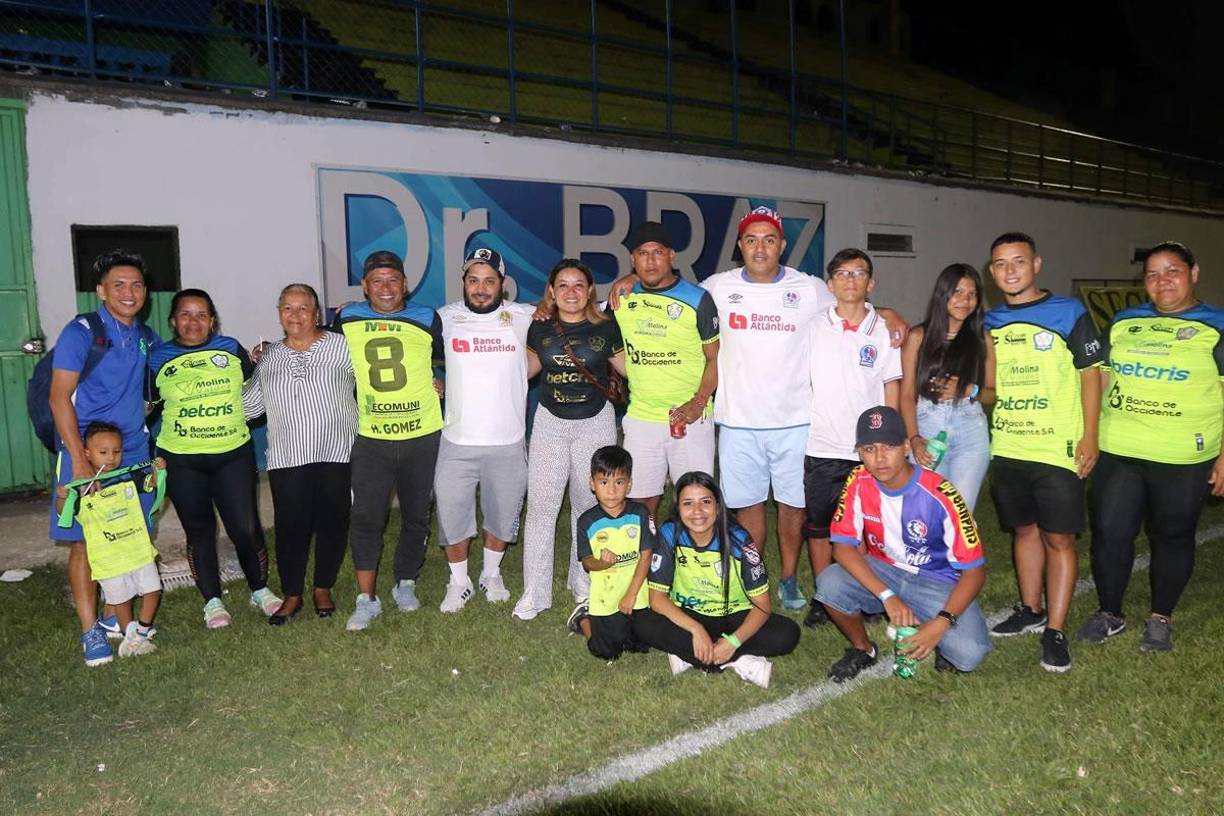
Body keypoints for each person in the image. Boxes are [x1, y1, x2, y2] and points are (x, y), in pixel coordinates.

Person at [1078, 241, 1224, 652]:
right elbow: (1099, 381)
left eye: (1172, 271)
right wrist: (1087, 435)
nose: (1162, 281)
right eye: (1153, 274)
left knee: (1173, 535)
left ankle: (1161, 617)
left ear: (1193, 274)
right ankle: (1110, 612)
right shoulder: (1124, 321)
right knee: (1109, 532)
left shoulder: (1217, 324)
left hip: (1184, 456)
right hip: (1120, 449)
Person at [984, 232, 1103, 673]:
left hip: (1058, 446)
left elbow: (1092, 375)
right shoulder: (992, 320)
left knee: (1059, 537)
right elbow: (991, 385)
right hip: (1010, 443)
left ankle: (1055, 630)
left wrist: (1091, 435)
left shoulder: (1069, 312)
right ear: (992, 271)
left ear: (1036, 264)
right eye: (1000, 264)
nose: (1009, 270)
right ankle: (1030, 609)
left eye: (1018, 261)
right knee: (1025, 530)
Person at [816, 406, 991, 682]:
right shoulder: (858, 481)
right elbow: (842, 547)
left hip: (938, 580)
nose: (880, 458)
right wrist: (888, 597)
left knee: (969, 654)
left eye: (889, 447)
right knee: (830, 583)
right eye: (869, 449)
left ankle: (932, 625)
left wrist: (942, 622)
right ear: (859, 453)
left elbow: (975, 571)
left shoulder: (941, 494)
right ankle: (863, 649)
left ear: (907, 447)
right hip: (885, 570)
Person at [48, 249, 159, 666]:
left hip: (133, 451)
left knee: (130, 535)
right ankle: (90, 630)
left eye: (136, 285)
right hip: (88, 451)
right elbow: (59, 397)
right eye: (119, 285)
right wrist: (78, 458)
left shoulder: (146, 337)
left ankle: (118, 619)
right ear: (100, 290)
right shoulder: (82, 331)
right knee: (84, 542)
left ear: (145, 292)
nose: (129, 293)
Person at [149, 289, 280, 627]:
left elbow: (260, 390)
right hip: (181, 460)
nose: (193, 322)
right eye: (185, 314)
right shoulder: (156, 358)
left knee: (246, 528)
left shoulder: (231, 349)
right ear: (173, 320)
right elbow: (143, 409)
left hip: (232, 455)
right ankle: (212, 602)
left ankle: (260, 590)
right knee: (200, 531)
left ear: (212, 320)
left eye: (201, 315)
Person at [335, 250, 444, 631]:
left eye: (393, 280)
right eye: (377, 280)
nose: (386, 287)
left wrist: (444, 382)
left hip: (423, 433)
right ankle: (366, 598)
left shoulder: (428, 318)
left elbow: (455, 360)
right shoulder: (345, 317)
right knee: (366, 517)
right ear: (364, 286)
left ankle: (406, 581)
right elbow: (315, 348)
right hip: (373, 437)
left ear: (405, 285)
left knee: (417, 513)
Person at [514, 259, 625, 621]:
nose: (572, 292)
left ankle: (583, 581)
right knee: (542, 509)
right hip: (550, 422)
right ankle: (534, 594)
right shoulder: (538, 329)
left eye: (579, 285)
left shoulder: (608, 327)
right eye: (563, 285)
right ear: (552, 292)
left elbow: (631, 369)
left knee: (586, 505)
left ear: (590, 291)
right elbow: (524, 371)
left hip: (595, 421)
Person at [242, 283, 357, 623]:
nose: (295, 315)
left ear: (317, 313)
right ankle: (292, 594)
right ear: (279, 314)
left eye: (303, 307)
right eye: (287, 308)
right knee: (291, 528)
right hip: (287, 457)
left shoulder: (343, 346)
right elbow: (249, 408)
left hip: (338, 451)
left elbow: (374, 383)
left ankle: (322, 587)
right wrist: (244, 373)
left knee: (333, 524)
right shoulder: (269, 356)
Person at [803, 248, 902, 627]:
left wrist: (890, 442)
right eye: (842, 274)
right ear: (830, 285)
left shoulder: (883, 330)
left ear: (870, 283)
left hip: (868, 450)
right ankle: (821, 595)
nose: (850, 280)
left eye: (858, 273)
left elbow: (891, 385)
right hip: (822, 443)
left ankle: (870, 592)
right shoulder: (814, 326)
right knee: (820, 525)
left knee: (869, 528)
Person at [434, 248, 535, 613]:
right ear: (463, 282)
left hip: (507, 440)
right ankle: (458, 582)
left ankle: (491, 573)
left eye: (489, 281)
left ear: (502, 285)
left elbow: (581, 310)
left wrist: (627, 283)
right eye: (473, 280)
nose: (480, 288)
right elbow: (407, 347)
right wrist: (430, 381)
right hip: (457, 440)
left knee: (502, 511)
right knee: (452, 512)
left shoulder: (524, 317)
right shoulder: (443, 318)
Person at [632, 471, 801, 689]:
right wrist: (696, 629)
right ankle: (737, 660)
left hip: (733, 614)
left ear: (718, 506)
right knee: (642, 622)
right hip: (689, 614)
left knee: (787, 634)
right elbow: (657, 598)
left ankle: (694, 656)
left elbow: (762, 605)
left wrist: (734, 641)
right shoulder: (669, 533)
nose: (697, 512)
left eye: (705, 502)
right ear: (678, 508)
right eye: (688, 503)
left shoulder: (739, 539)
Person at [611, 222, 719, 516]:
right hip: (642, 418)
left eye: (658, 252)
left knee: (695, 504)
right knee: (640, 505)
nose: (651, 260)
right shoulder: (622, 298)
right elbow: (581, 313)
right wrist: (546, 303)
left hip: (690, 417)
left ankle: (693, 561)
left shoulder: (698, 299)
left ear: (671, 255)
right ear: (633, 260)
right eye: (643, 254)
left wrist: (698, 403)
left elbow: (714, 358)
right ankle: (649, 560)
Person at [56, 421, 165, 661]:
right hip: (109, 559)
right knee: (121, 600)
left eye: (117, 451)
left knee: (154, 590)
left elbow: (151, 485)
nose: (111, 458)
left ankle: (142, 629)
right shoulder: (82, 489)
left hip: (138, 550)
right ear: (87, 454)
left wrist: (158, 472)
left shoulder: (128, 476)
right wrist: (63, 496)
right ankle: (129, 634)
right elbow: (65, 513)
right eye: (103, 452)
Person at [900, 263, 994, 511]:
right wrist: (915, 438)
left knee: (960, 512)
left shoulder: (982, 339)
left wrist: (968, 391)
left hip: (970, 433)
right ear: (943, 295)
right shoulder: (918, 336)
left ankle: (958, 551)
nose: (965, 300)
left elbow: (993, 394)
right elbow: (907, 395)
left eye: (972, 294)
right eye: (958, 292)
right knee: (927, 510)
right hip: (928, 428)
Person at [567, 446, 655, 660]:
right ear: (592, 484)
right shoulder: (587, 522)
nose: (612, 490)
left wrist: (632, 594)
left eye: (619, 482)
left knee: (641, 645)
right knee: (606, 652)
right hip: (606, 597)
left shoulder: (641, 513)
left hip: (636, 595)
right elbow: (587, 562)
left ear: (629, 484)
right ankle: (583, 619)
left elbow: (646, 555)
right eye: (604, 482)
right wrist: (602, 563)